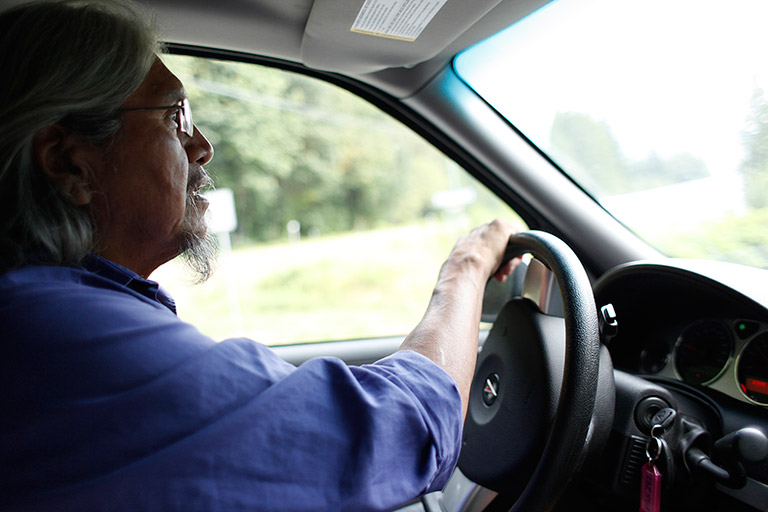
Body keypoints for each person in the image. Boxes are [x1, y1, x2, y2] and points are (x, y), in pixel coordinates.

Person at [0, 1, 518, 511]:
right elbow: (399, 429)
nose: (201, 146)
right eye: (173, 116)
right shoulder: (57, 331)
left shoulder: (47, 311)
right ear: (71, 164)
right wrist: (467, 268)